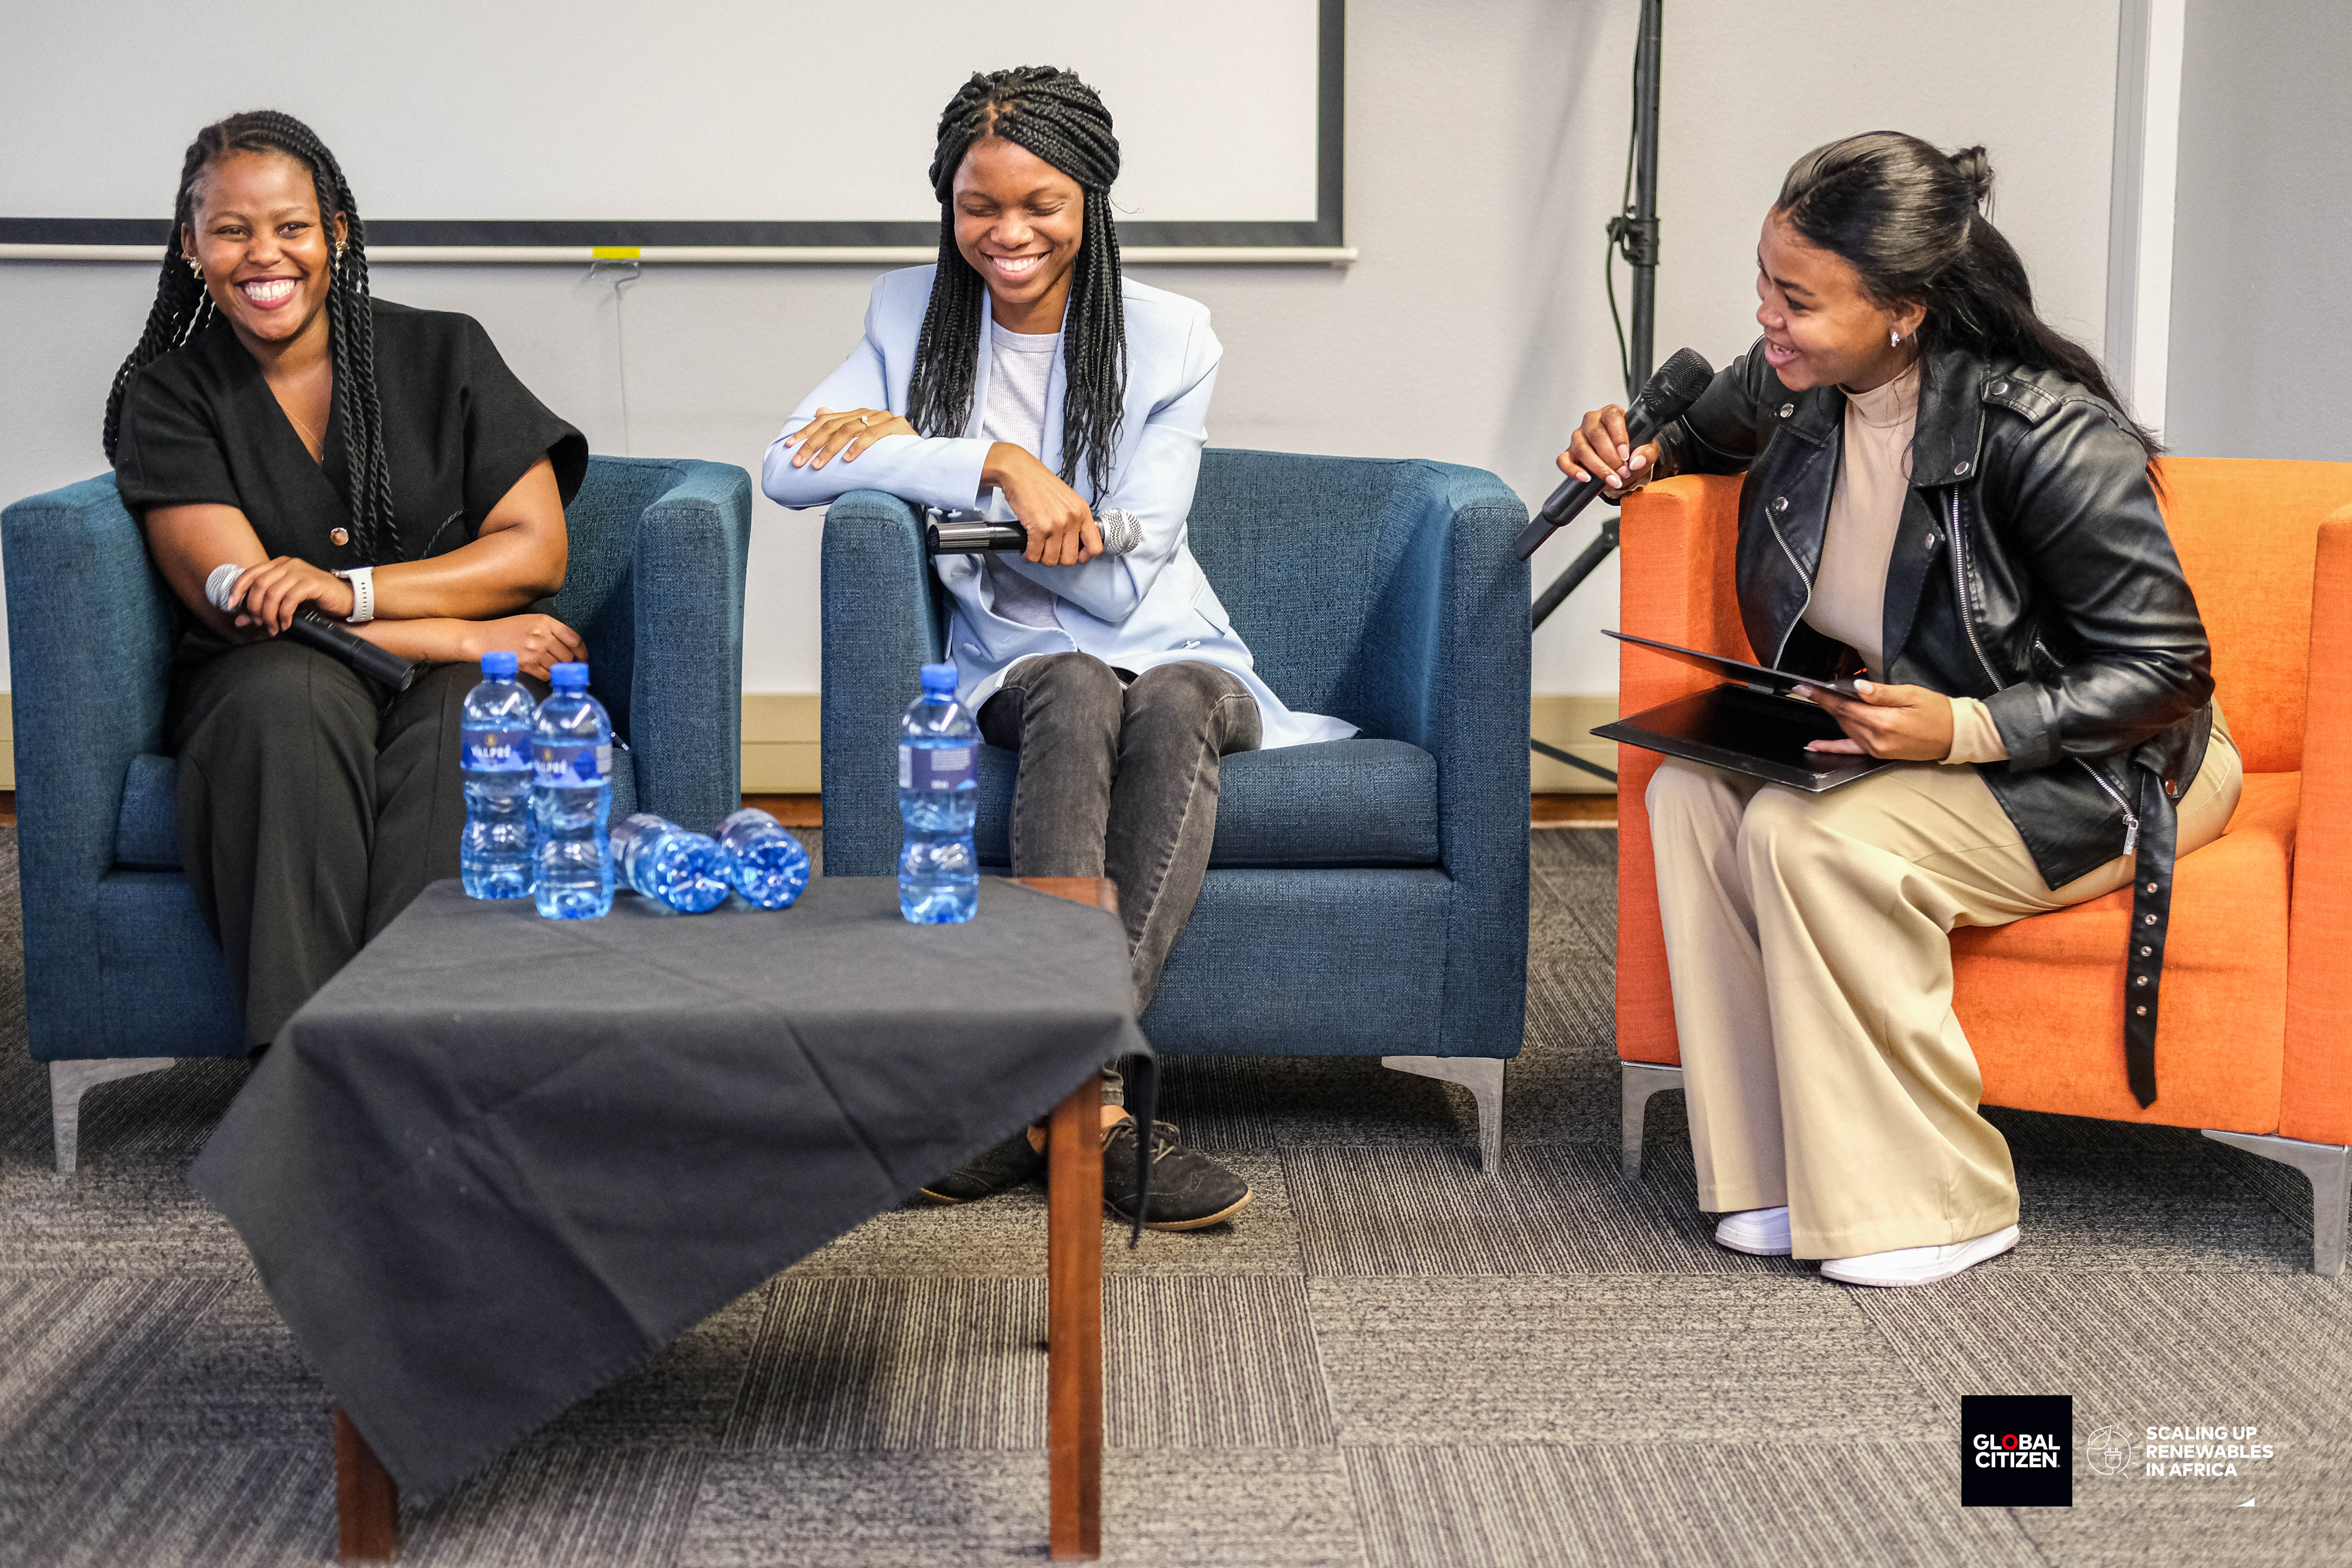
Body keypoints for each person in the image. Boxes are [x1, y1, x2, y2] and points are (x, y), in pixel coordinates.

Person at [1560, 133, 2237, 1287]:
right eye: (1764, 284)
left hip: (2096, 762)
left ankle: (1941, 1198)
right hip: (1905, 743)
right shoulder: (1797, 391)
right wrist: (1639, 452)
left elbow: (2168, 670)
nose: (1766, 320)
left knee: (1802, 835)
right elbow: (1698, 430)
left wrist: (1965, 730)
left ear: (1903, 311)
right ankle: (1773, 1172)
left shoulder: (2045, 434)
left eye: (1799, 299)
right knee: (1684, 796)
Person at [762, 67, 1352, 1230]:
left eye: (1040, 204)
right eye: (979, 206)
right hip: (1017, 661)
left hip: (1179, 643)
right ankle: (1096, 1112)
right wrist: (992, 465)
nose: (1008, 233)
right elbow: (788, 465)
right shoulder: (904, 314)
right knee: (1077, 685)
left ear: (1091, 198)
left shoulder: (1170, 336)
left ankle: (1045, 1083)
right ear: (947, 206)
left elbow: (1133, 561)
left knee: (1174, 697)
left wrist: (918, 453)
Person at [106, 110, 589, 1049]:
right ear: (191, 244)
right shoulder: (170, 396)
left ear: (336, 230)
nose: (263, 255)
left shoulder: (445, 350)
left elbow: (537, 551)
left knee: (474, 719)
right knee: (287, 705)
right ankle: (307, 1076)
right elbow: (250, 604)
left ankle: (424, 1057)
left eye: (289, 226)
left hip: (457, 675)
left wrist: (354, 593)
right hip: (268, 672)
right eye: (231, 230)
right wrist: (458, 632)